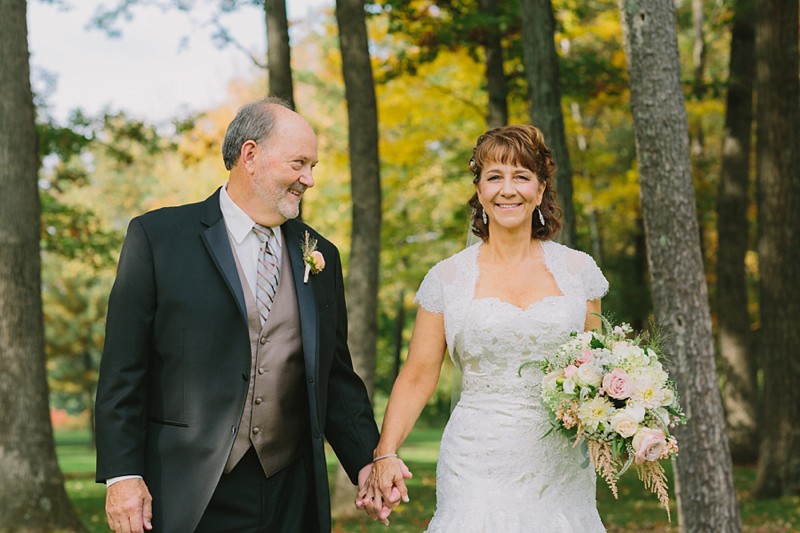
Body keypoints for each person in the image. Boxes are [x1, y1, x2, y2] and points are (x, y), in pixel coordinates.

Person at [95, 97, 407, 533]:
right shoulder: (158, 237)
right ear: (251, 155)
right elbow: (123, 371)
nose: (309, 179)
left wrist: (366, 463)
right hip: (188, 488)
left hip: (290, 489)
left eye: (313, 166)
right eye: (299, 163)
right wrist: (122, 474)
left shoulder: (322, 255)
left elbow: (334, 377)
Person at [358, 124, 609, 531]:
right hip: (476, 460)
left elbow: (597, 368)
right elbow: (419, 375)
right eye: (495, 176)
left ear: (540, 190)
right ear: (479, 190)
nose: (507, 189)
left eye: (521, 177)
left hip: (561, 464)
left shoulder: (579, 273)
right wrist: (385, 452)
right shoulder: (447, 278)